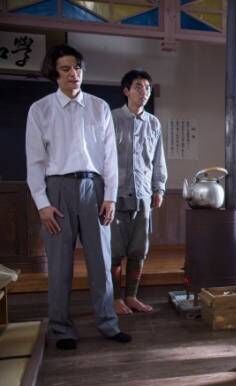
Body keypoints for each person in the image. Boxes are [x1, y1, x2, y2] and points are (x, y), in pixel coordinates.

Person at [26, 44, 131, 350]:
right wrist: (42, 204)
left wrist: (110, 197)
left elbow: (110, 157)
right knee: (60, 266)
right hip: (57, 190)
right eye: (66, 69)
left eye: (77, 67)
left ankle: (108, 323)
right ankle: (61, 329)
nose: (74, 73)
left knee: (101, 261)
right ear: (55, 74)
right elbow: (34, 161)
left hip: (94, 189)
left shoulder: (99, 107)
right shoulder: (40, 109)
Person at [110, 70, 167, 314]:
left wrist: (159, 187)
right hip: (114, 195)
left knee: (139, 250)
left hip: (143, 194)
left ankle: (132, 296)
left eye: (147, 87)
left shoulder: (154, 123)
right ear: (126, 91)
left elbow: (158, 159)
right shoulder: (111, 118)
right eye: (138, 86)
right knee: (114, 252)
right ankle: (115, 299)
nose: (144, 91)